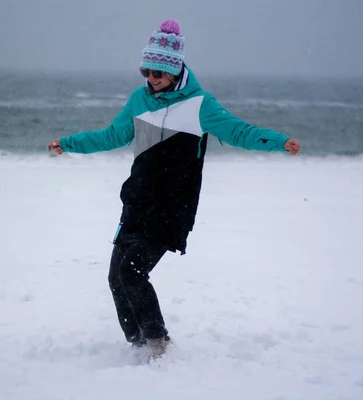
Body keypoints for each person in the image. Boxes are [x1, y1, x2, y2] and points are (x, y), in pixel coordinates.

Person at [47, 19, 300, 358]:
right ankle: (137, 346)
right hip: (137, 203)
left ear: (174, 70)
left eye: (157, 73)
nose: (150, 79)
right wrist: (70, 143)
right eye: (145, 72)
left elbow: (240, 131)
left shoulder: (200, 104)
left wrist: (280, 143)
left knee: (131, 272)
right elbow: (111, 136)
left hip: (172, 209)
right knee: (116, 278)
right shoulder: (139, 100)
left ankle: (159, 345)